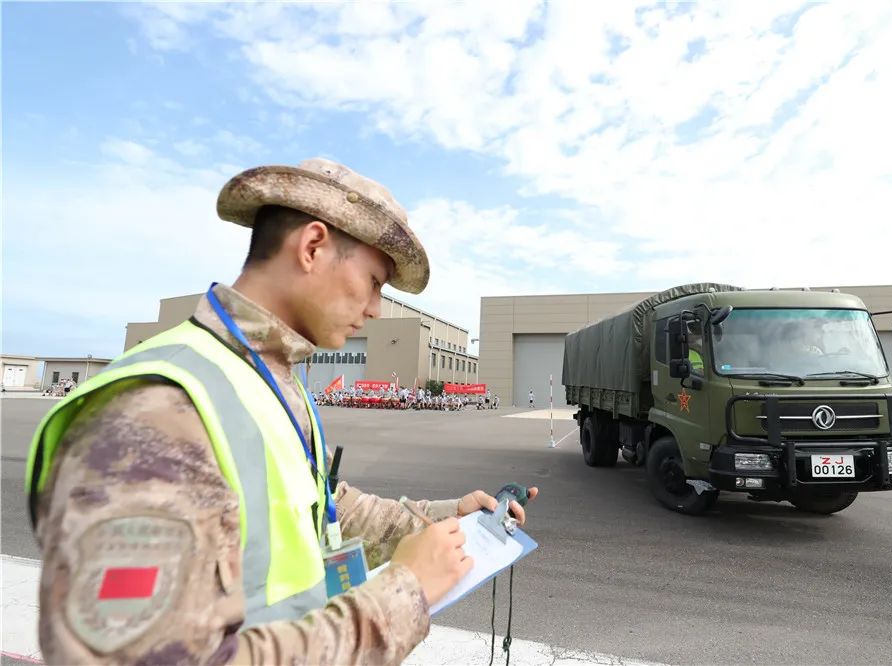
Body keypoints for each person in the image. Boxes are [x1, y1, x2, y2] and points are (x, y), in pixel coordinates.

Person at [26, 158, 538, 665]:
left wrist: (439, 522)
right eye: (375, 281)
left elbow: (316, 508)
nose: (377, 309)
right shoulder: (156, 410)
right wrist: (405, 592)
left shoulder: (267, 380)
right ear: (313, 246)